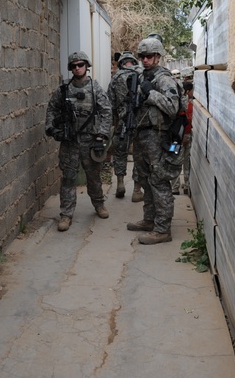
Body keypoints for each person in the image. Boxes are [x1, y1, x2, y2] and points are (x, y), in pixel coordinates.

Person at [45, 51, 113, 231]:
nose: (77, 68)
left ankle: (99, 204)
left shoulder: (94, 88)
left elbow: (106, 112)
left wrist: (101, 135)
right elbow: (52, 109)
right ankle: (66, 214)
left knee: (93, 177)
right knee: (68, 178)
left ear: (86, 66)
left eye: (80, 65)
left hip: (90, 141)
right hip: (70, 141)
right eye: (74, 66)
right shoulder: (63, 89)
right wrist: (53, 129)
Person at [126, 37, 184, 244]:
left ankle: (163, 229)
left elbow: (172, 107)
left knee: (159, 181)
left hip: (158, 136)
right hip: (142, 135)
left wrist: (151, 93)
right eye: (142, 57)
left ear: (158, 57)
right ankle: (149, 220)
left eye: (149, 56)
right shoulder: (141, 77)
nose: (145, 60)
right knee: (145, 179)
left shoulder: (164, 79)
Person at [108, 51, 141, 198]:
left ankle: (120, 183)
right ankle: (136, 190)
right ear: (134, 62)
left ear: (121, 63)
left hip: (123, 121)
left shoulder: (115, 78)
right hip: (140, 122)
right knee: (139, 155)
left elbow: (110, 104)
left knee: (120, 153)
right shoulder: (142, 74)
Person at [173, 76, 195, 195]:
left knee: (174, 160)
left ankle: (175, 187)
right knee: (185, 161)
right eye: (192, 90)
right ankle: (186, 184)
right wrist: (186, 136)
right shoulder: (188, 105)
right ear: (187, 91)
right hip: (184, 137)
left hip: (174, 140)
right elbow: (187, 122)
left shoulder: (176, 103)